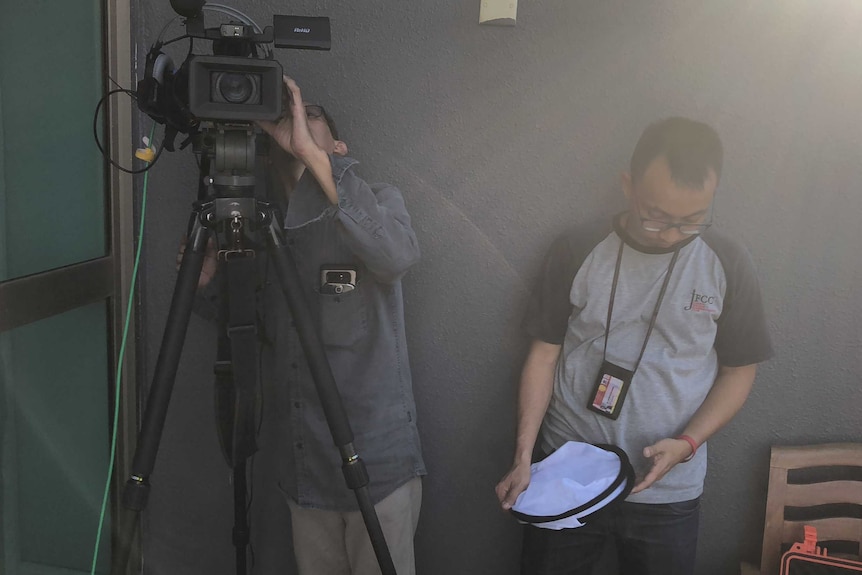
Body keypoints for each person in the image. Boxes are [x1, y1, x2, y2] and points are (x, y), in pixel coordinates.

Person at [494, 117, 773, 575]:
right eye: (656, 215)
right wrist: (524, 456)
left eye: (691, 221)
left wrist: (688, 442)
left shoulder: (727, 260)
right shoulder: (577, 246)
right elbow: (543, 354)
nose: (669, 234)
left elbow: (739, 370)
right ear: (628, 185)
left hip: (666, 487)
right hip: (565, 471)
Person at [182, 76, 425, 575]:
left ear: (338, 146)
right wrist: (205, 283)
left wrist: (313, 157)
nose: (294, 121)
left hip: (377, 466)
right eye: (288, 118)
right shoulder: (259, 230)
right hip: (304, 466)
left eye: (310, 114)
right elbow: (243, 324)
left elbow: (396, 256)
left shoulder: (377, 201)